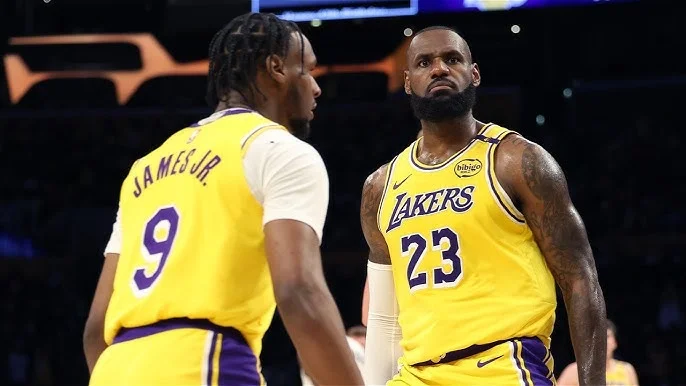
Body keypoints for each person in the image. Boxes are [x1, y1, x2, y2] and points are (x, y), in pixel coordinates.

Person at [83, 12, 364, 386]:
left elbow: (96, 328)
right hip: (204, 361)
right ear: (277, 68)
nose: (316, 87)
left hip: (112, 370)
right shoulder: (279, 149)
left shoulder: (144, 168)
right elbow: (299, 292)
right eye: (307, 70)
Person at [360, 26, 607, 385]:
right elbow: (384, 318)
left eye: (452, 59)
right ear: (408, 81)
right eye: (424, 62)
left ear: (473, 74)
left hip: (501, 363)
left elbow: (581, 282)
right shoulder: (380, 187)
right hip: (416, 375)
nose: (439, 69)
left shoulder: (518, 161)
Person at [558, 320, 639, 386]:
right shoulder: (576, 370)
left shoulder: (627, 370)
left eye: (607, 336)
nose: (602, 341)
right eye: (598, 337)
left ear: (615, 342)